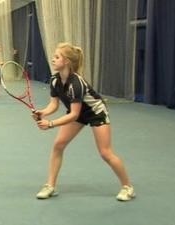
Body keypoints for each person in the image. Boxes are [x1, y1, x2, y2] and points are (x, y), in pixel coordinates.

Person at [32, 42, 135, 201]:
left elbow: (73, 115)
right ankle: (50, 185)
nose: (53, 59)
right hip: (78, 113)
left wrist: (50, 124)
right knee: (58, 145)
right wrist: (43, 112)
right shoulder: (55, 80)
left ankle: (127, 187)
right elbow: (54, 104)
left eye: (57, 57)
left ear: (66, 61)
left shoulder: (76, 83)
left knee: (105, 152)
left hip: (95, 113)